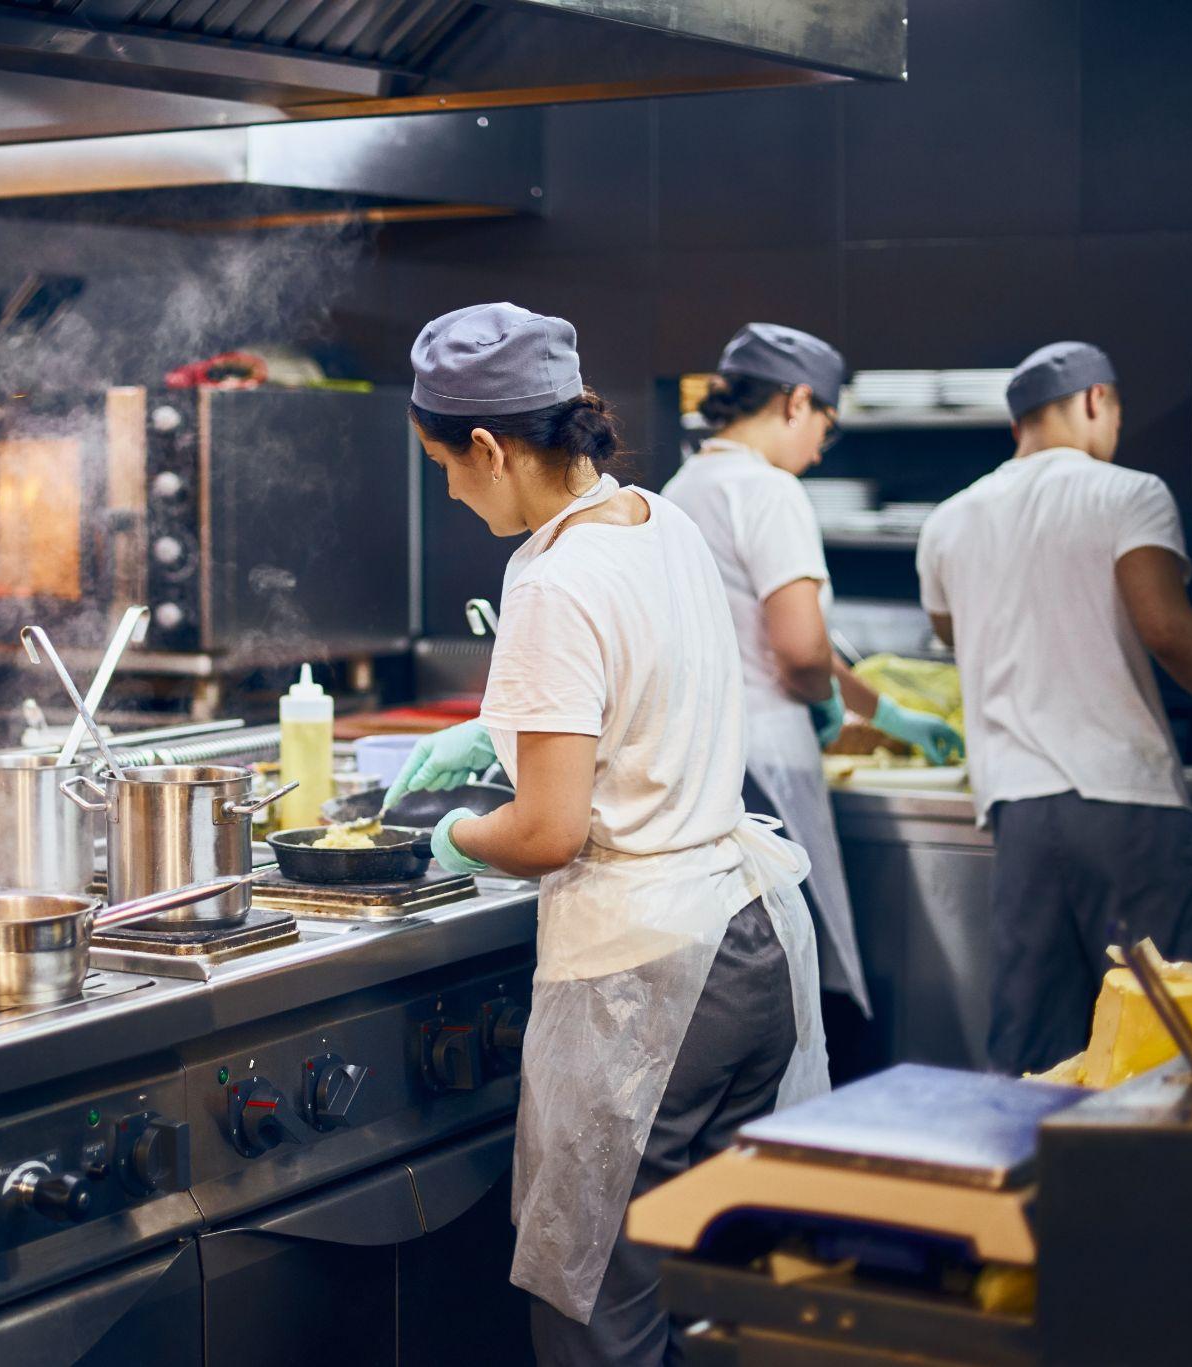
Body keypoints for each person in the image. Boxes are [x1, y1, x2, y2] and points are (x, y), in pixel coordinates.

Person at [384, 303, 828, 1366]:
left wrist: (457, 834)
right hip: (750, 935)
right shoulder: (653, 517)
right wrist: (492, 729)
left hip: (648, 978)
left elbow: (545, 830)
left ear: (488, 446)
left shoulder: (548, 578)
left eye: (443, 463)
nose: (446, 487)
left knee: (599, 1311)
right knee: (714, 1295)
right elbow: (639, 692)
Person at [916, 340, 1192, 1076]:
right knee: (1167, 1031)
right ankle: (1155, 1186)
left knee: (1035, 1050)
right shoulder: (1126, 492)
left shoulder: (949, 520)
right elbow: (1167, 630)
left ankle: (1022, 1183)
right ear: (1096, 400)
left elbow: (953, 632)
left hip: (1019, 808)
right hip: (1125, 803)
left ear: (1019, 422)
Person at [662, 323, 963, 1066]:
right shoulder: (770, 491)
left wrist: (875, 707)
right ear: (798, 401)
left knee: (730, 973)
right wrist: (828, 700)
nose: (823, 447)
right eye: (826, 422)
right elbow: (798, 651)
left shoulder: (677, 489)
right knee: (801, 968)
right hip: (767, 758)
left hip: (694, 758)